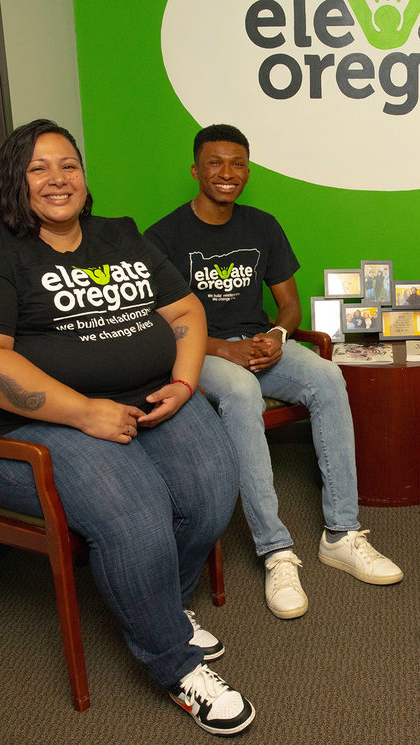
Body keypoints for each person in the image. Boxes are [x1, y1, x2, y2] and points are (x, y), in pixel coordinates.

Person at [0, 119, 254, 737]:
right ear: (14, 182)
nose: (58, 179)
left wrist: (185, 385)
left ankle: (161, 601)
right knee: (136, 509)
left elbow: (185, 310)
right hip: (20, 432)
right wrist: (83, 412)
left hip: (141, 402)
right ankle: (173, 662)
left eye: (68, 165)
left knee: (215, 487)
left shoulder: (119, 235)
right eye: (39, 168)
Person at [146, 124, 403, 621]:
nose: (227, 173)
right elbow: (157, 320)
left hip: (260, 346)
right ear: (196, 170)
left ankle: (341, 533)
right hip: (203, 356)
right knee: (241, 391)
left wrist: (276, 338)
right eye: (216, 163)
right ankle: (275, 550)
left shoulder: (262, 226)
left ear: (248, 170)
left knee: (328, 377)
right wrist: (221, 348)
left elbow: (289, 305)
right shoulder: (163, 237)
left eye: (237, 164)